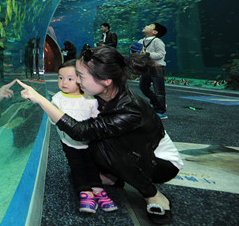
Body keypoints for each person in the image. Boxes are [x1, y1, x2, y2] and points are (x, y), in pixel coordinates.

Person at [17, 46, 181, 225]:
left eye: (81, 76)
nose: (78, 82)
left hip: (159, 163)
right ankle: (114, 176)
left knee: (103, 146)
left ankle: (152, 194)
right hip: (135, 151)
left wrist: (41, 100)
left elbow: (81, 131)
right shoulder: (104, 94)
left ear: (105, 80)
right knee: (94, 146)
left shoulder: (131, 109)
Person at [51, 60, 118, 214]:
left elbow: (97, 120)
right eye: (60, 78)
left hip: (90, 143)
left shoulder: (90, 99)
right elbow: (52, 117)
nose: (63, 82)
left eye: (70, 79)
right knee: (76, 165)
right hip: (68, 143)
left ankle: (97, 187)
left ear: (81, 79)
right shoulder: (57, 99)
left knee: (92, 164)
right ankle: (84, 191)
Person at [137, 22, 168, 119]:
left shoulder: (157, 41)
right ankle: (156, 103)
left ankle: (161, 111)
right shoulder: (141, 41)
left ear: (154, 32)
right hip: (146, 68)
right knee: (143, 87)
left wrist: (147, 54)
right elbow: (137, 52)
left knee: (159, 90)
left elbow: (161, 54)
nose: (146, 25)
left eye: (150, 26)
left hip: (157, 68)